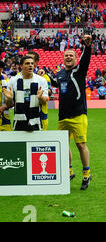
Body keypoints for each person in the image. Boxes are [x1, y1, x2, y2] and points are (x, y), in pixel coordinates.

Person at [52, 35, 93, 190]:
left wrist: (87, 47)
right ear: (63, 59)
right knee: (62, 145)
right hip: (63, 117)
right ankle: (69, 171)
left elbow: (86, 59)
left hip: (78, 115)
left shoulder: (79, 70)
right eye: (66, 55)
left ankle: (86, 174)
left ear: (76, 58)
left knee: (81, 145)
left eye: (71, 55)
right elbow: (56, 83)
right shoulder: (60, 74)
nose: (68, 57)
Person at [3, 55, 49, 131]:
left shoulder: (41, 80)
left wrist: (40, 97)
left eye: (32, 63)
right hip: (19, 121)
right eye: (27, 63)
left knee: (35, 143)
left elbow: (44, 101)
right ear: (21, 66)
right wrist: (10, 99)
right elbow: (9, 105)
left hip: (36, 121)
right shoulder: (13, 80)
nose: (30, 65)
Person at [26, 51, 52, 130]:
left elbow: (50, 92)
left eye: (30, 59)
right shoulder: (20, 76)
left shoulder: (43, 77)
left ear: (36, 62)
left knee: (40, 142)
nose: (28, 61)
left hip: (41, 116)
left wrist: (42, 90)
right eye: (26, 58)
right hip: (24, 115)